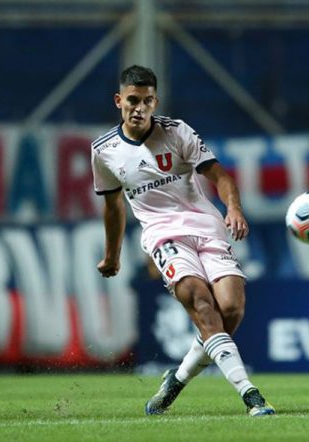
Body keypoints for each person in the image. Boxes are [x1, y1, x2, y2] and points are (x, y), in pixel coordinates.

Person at [91, 65, 275, 417]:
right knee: (203, 308)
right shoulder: (105, 150)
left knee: (230, 311)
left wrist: (234, 208)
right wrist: (112, 256)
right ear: (119, 101)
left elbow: (220, 176)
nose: (139, 108)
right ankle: (251, 396)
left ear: (155, 100)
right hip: (164, 236)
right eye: (132, 100)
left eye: (146, 101)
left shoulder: (177, 132)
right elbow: (113, 207)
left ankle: (177, 379)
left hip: (207, 228)